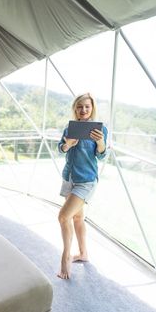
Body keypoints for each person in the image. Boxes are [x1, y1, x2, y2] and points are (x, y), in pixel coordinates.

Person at [57, 93, 108, 279]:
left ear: (92, 108)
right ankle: (83, 253)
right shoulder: (69, 129)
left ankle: (65, 257)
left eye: (87, 106)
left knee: (63, 217)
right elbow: (60, 148)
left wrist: (100, 142)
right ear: (75, 109)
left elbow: (102, 156)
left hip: (86, 180)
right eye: (80, 107)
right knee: (77, 218)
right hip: (69, 178)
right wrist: (67, 144)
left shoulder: (100, 130)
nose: (83, 110)